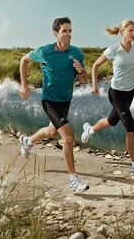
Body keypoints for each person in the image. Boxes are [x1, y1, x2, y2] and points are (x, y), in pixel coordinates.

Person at [18, 17, 90, 192]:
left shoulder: (76, 53)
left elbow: (83, 79)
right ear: (56, 33)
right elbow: (24, 60)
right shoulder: (45, 51)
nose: (68, 34)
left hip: (66, 100)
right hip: (49, 100)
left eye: (70, 31)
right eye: (64, 31)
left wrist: (80, 70)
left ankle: (27, 141)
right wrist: (24, 84)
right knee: (68, 137)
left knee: (51, 132)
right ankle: (73, 180)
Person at [81, 19, 134, 178]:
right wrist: (94, 85)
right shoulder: (113, 49)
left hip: (130, 92)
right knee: (131, 127)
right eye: (131, 30)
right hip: (116, 93)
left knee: (111, 120)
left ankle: (90, 130)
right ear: (122, 32)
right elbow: (95, 65)